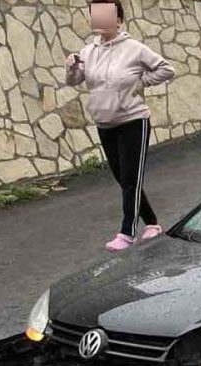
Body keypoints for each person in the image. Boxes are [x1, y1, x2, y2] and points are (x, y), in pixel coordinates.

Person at [65, 0, 175, 251]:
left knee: (130, 178)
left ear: (118, 20)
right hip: (105, 122)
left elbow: (167, 69)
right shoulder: (88, 51)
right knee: (124, 179)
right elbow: (74, 81)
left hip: (132, 121)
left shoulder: (134, 48)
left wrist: (142, 83)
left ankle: (127, 232)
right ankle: (152, 223)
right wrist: (71, 67)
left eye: (107, 14)